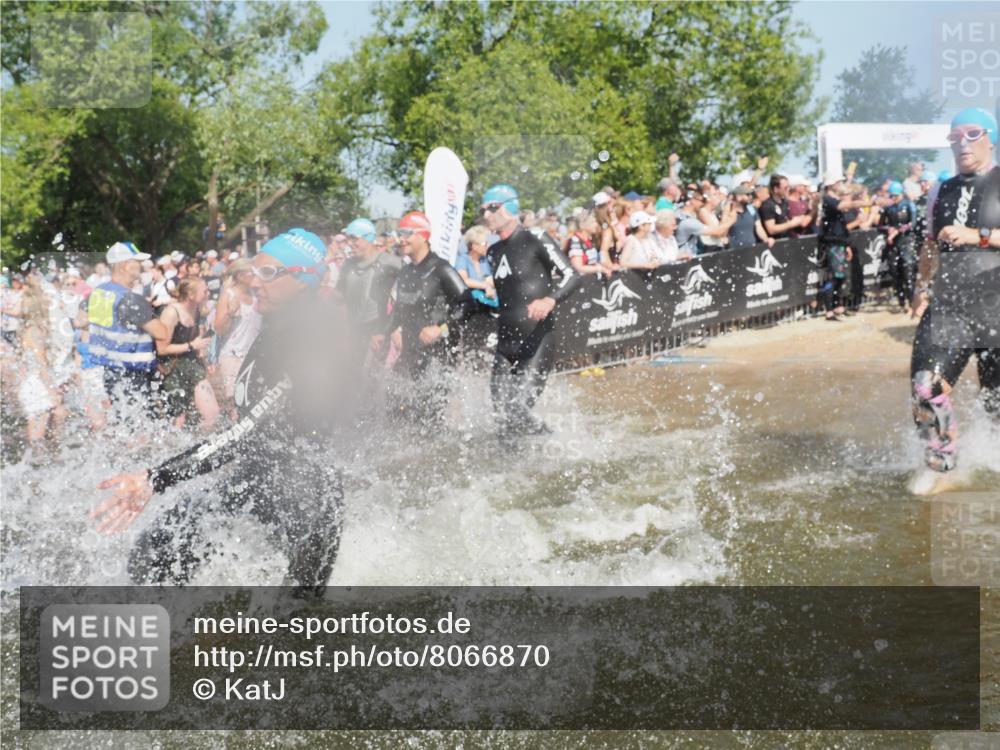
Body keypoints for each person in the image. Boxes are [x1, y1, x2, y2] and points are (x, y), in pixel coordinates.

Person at [92, 228, 353, 593]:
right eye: (253, 272)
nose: (254, 282)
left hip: (305, 504)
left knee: (293, 627)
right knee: (155, 553)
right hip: (259, 478)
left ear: (302, 281)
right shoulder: (274, 325)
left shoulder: (305, 340)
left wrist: (157, 477)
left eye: (267, 274)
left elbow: (247, 432)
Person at [908, 107, 1000, 490]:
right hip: (952, 307)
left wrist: (977, 236)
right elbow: (930, 246)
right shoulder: (940, 190)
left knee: (996, 404)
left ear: (991, 139)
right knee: (925, 386)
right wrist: (921, 287)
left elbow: (971, 235)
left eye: (972, 134)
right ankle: (943, 464)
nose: (962, 143)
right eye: (954, 137)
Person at [480, 184, 581, 438]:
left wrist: (550, 300)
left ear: (511, 208)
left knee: (517, 413)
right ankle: (510, 472)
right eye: (483, 210)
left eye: (493, 208)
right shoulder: (492, 252)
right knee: (502, 418)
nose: (487, 215)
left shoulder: (535, 237)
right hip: (505, 346)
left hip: (536, 342)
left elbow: (572, 275)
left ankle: (553, 442)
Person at [373, 211, 472, 426]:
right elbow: (399, 310)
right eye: (399, 233)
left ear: (423, 235)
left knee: (429, 419)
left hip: (438, 357)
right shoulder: (407, 271)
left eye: (407, 233)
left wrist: (441, 328)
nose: (401, 239)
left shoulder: (441, 269)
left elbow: (469, 304)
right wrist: (384, 331)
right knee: (393, 410)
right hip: (410, 354)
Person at [86, 242, 168, 408]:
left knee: (121, 422)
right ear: (124, 266)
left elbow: (82, 322)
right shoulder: (131, 299)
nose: (140, 266)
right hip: (132, 373)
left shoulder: (99, 292)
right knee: (139, 428)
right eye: (136, 262)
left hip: (109, 370)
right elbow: (162, 332)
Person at [336, 217, 402, 369]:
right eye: (347, 239)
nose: (349, 244)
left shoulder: (389, 261)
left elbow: (411, 288)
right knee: (350, 379)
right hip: (353, 331)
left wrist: (394, 329)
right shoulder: (348, 265)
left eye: (354, 239)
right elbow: (338, 296)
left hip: (377, 332)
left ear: (369, 238)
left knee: (370, 383)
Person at [156, 277, 219, 432]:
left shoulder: (196, 310)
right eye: (204, 291)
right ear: (191, 294)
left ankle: (206, 447)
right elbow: (162, 349)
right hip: (172, 369)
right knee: (180, 421)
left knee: (212, 413)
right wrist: (192, 345)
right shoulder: (171, 313)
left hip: (193, 365)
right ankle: (176, 451)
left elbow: (196, 341)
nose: (208, 293)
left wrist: (205, 360)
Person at [213, 258, 261, 417]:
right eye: (252, 273)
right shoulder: (228, 295)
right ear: (240, 276)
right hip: (232, 355)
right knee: (234, 400)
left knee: (253, 397)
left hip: (253, 354)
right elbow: (218, 329)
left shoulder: (256, 293)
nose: (256, 275)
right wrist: (230, 314)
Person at [817, 173, 866, 321]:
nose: (840, 185)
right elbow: (845, 205)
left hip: (840, 243)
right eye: (838, 182)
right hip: (832, 244)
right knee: (835, 276)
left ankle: (837, 307)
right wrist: (865, 203)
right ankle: (829, 310)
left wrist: (847, 246)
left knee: (840, 277)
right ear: (831, 184)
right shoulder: (828, 199)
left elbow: (842, 224)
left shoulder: (832, 199)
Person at [884, 181, 918, 313]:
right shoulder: (889, 209)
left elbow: (913, 223)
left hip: (907, 241)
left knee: (907, 272)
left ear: (901, 194)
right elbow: (882, 224)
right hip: (893, 244)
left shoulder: (909, 205)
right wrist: (888, 229)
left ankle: (912, 302)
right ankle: (901, 302)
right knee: (895, 272)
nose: (893, 198)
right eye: (891, 195)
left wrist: (898, 230)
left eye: (895, 196)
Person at [760, 175, 813, 240]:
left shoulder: (785, 202)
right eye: (785, 188)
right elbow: (771, 229)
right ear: (776, 189)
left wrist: (799, 218)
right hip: (776, 243)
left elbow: (787, 219)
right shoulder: (768, 205)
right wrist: (791, 224)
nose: (788, 189)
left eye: (789, 187)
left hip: (787, 240)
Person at [456, 225, 497, 304]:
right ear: (474, 246)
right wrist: (485, 286)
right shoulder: (463, 260)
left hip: (485, 303)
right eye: (484, 244)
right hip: (468, 302)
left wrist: (487, 285)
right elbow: (463, 280)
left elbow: (491, 280)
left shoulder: (485, 260)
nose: (488, 246)